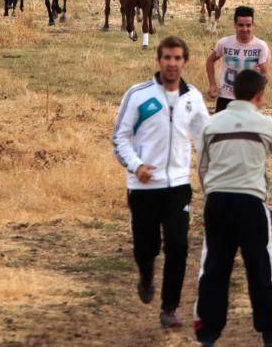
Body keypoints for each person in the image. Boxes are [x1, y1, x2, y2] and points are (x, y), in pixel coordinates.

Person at [111, 36, 209, 329]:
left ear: (185, 62)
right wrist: (135, 165)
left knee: (178, 246)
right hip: (143, 186)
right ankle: (146, 274)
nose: (172, 63)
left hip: (178, 185)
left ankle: (169, 308)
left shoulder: (193, 98)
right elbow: (119, 137)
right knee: (146, 246)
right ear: (159, 60)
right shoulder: (138, 95)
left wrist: (213, 177)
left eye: (178, 58)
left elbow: (206, 138)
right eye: (167, 57)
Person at [194, 69, 272, 347]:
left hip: (217, 200)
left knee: (215, 265)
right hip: (251, 202)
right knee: (260, 267)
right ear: (260, 95)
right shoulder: (265, 123)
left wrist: (211, 191)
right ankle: (270, 330)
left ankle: (208, 330)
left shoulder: (212, 125)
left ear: (232, 91)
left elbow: (202, 166)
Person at [206, 6, 271, 113]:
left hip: (249, 99)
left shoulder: (261, 46)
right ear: (234, 25)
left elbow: (264, 74)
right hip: (226, 97)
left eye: (248, 25)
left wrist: (259, 94)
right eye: (241, 25)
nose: (245, 29)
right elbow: (210, 61)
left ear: (253, 25)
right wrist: (212, 84)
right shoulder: (224, 43)